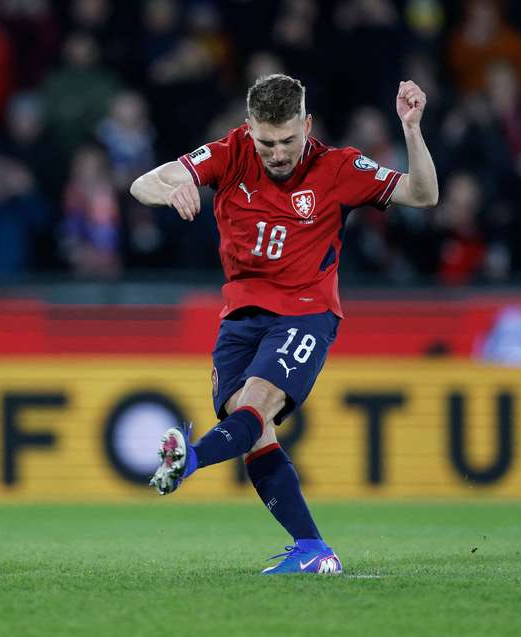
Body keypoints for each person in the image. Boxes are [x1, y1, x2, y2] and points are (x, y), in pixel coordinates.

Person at [130, 73, 438, 575]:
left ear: (307, 125)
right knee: (252, 430)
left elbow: (423, 195)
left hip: (306, 312)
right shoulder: (229, 153)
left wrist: (412, 129)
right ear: (249, 128)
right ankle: (313, 550)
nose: (276, 153)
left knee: (255, 406)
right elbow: (142, 183)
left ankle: (187, 463)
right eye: (266, 141)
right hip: (240, 318)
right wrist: (176, 186)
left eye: (288, 141)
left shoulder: (338, 168)